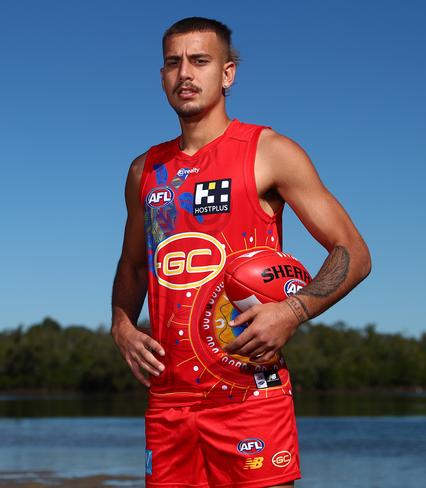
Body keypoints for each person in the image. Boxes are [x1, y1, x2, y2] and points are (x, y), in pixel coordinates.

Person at [110, 17, 371, 488]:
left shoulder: (268, 151)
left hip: (250, 395)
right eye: (173, 62)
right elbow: (133, 264)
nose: (185, 73)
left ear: (227, 73)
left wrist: (292, 311)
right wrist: (122, 325)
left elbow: (352, 251)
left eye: (200, 61)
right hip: (169, 402)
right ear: (163, 75)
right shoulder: (144, 170)